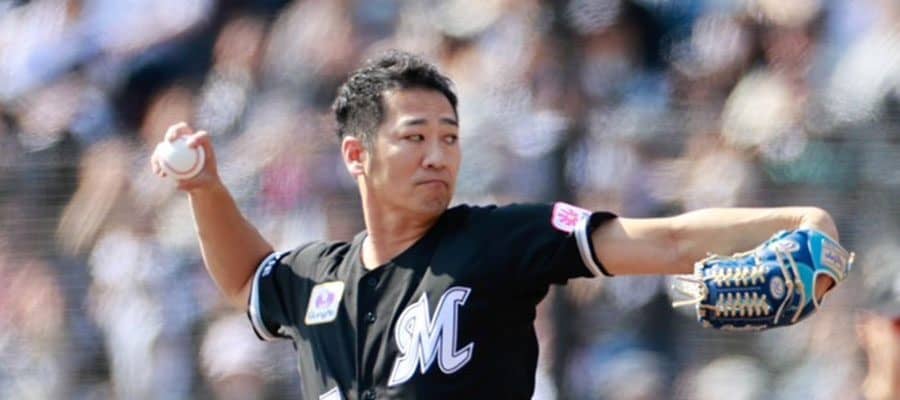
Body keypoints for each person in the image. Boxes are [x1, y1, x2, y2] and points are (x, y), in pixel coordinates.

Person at [151, 50, 851, 399]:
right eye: (415, 136)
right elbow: (247, 278)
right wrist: (206, 190)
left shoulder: (498, 238)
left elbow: (664, 239)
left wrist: (801, 218)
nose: (438, 155)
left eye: (450, 137)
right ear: (357, 155)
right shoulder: (318, 281)